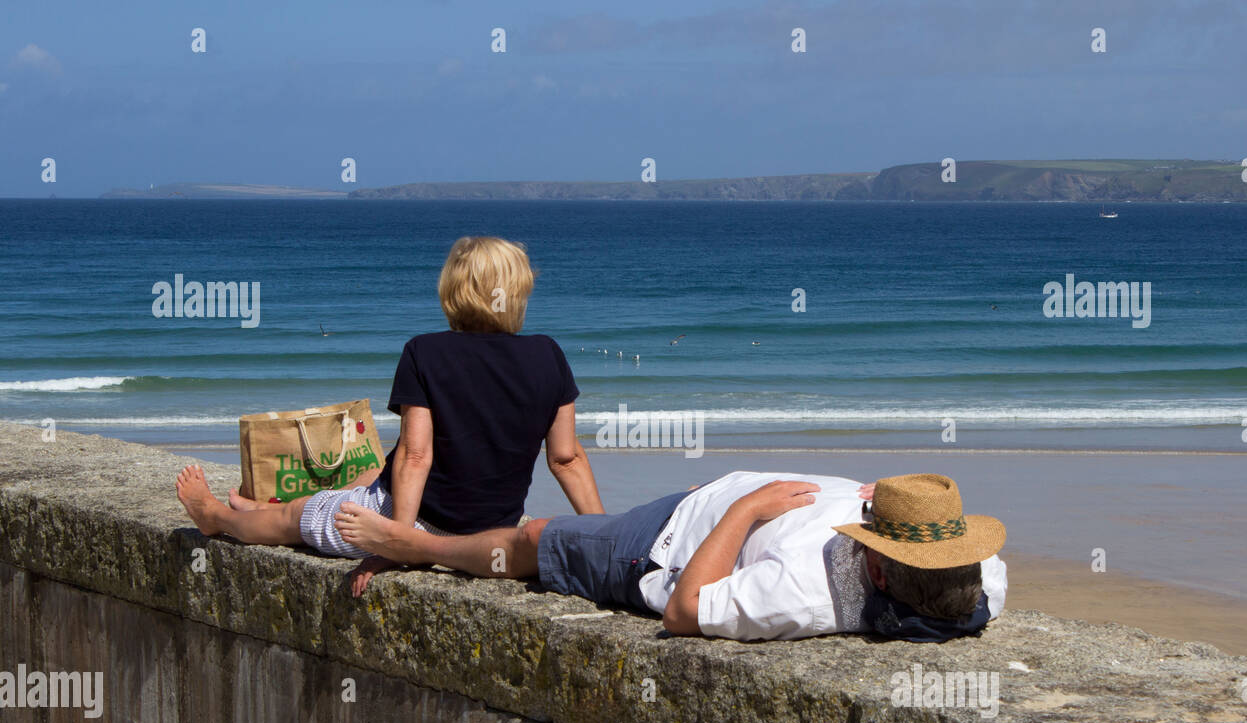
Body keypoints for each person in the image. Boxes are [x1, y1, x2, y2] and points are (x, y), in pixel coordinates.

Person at [176, 236, 603, 575]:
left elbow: (417, 456)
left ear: (453, 292)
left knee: (294, 518)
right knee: (377, 469)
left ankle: (216, 517)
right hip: (493, 532)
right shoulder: (548, 354)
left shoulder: (426, 352)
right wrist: (604, 534)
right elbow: (566, 459)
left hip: (420, 524)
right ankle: (259, 507)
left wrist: (397, 543)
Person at [331, 470, 1007, 641]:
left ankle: (416, 544)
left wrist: (747, 509)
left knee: (539, 538)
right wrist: (898, 495)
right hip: (715, 498)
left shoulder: (805, 594)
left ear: (880, 569)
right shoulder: (982, 584)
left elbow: (687, 610)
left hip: (672, 541)